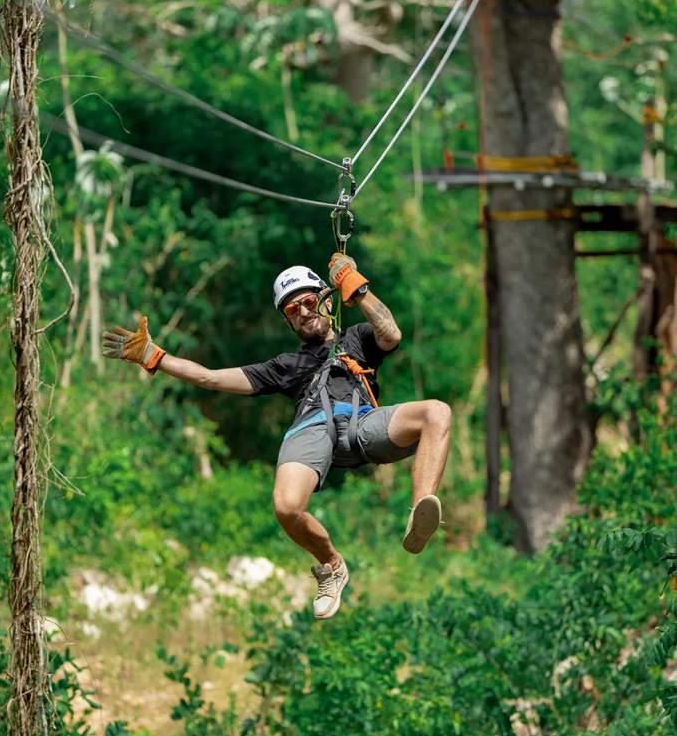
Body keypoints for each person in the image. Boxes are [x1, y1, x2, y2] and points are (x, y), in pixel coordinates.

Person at [103, 252, 451, 620]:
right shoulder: (286, 366)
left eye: (307, 302)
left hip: (363, 423)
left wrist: (356, 286)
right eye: (291, 310)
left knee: (437, 412)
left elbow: (391, 333)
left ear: (326, 301)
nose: (302, 312)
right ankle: (332, 566)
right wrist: (154, 356)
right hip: (313, 427)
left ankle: (420, 511)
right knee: (286, 507)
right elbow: (211, 377)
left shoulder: (357, 339)